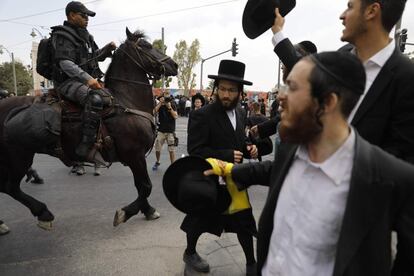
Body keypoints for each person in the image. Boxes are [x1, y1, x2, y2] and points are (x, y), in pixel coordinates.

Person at [207, 51, 414, 276]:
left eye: (293, 88)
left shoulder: (392, 179)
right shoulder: (291, 149)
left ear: (327, 102)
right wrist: (230, 169)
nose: (281, 98)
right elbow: (273, 169)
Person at [272, 0, 414, 164]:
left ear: (371, 11)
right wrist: (277, 32)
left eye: (350, 7)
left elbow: (402, 163)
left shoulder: (406, 79)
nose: (342, 16)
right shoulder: (342, 58)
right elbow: (304, 70)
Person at [182, 59, 259, 275]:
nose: (226, 95)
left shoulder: (241, 114)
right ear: (216, 89)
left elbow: (238, 142)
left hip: (235, 181)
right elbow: (195, 150)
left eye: (231, 90)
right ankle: (190, 252)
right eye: (222, 89)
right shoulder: (202, 115)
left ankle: (251, 264)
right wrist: (224, 156)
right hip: (210, 181)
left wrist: (249, 148)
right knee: (200, 221)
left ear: (240, 92)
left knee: (244, 221)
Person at [51, 1, 116, 162]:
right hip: (68, 82)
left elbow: (94, 57)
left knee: (110, 98)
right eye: (83, 15)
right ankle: (85, 148)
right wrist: (88, 79)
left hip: (84, 81)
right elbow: (65, 63)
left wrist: (106, 50)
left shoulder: (86, 37)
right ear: (71, 15)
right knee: (94, 99)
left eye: (88, 16)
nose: (87, 19)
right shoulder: (63, 35)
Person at [152, 91, 178, 170]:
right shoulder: (160, 104)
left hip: (170, 131)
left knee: (171, 150)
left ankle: (173, 165)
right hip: (161, 130)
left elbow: (176, 116)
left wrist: (169, 107)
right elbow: (153, 112)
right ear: (162, 97)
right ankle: (157, 161)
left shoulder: (172, 104)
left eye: (167, 97)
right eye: (165, 97)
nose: (166, 99)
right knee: (157, 148)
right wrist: (160, 103)